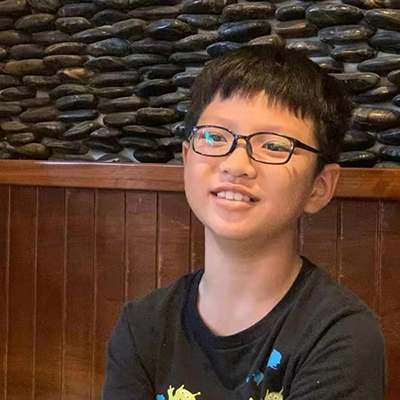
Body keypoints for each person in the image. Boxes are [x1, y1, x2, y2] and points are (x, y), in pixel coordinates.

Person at [103, 45, 386, 399]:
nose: (236, 165)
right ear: (187, 159)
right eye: (215, 136)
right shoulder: (143, 326)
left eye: (274, 146)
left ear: (319, 187)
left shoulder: (340, 336)